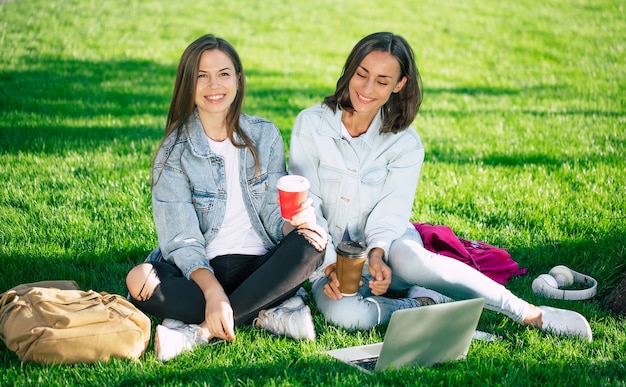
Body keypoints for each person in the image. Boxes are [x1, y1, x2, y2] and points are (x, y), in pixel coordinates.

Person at [288, 31, 592, 341]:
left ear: (399, 84)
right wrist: (330, 267)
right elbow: (306, 205)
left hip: (389, 242)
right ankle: (423, 302)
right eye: (362, 74)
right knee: (345, 316)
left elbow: (391, 211)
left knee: (415, 260)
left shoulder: (404, 142)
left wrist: (377, 254)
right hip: (325, 256)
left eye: (382, 81)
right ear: (350, 69)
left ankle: (529, 313)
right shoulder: (311, 125)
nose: (366, 89)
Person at [126, 34, 327, 362]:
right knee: (138, 280)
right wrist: (212, 290)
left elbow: (274, 217)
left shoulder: (265, 136)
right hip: (201, 270)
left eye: (223, 73)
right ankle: (266, 311)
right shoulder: (174, 152)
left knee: (314, 241)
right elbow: (181, 242)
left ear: (238, 79)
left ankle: (200, 331)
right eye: (201, 76)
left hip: (261, 265)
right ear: (187, 85)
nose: (213, 84)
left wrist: (294, 226)